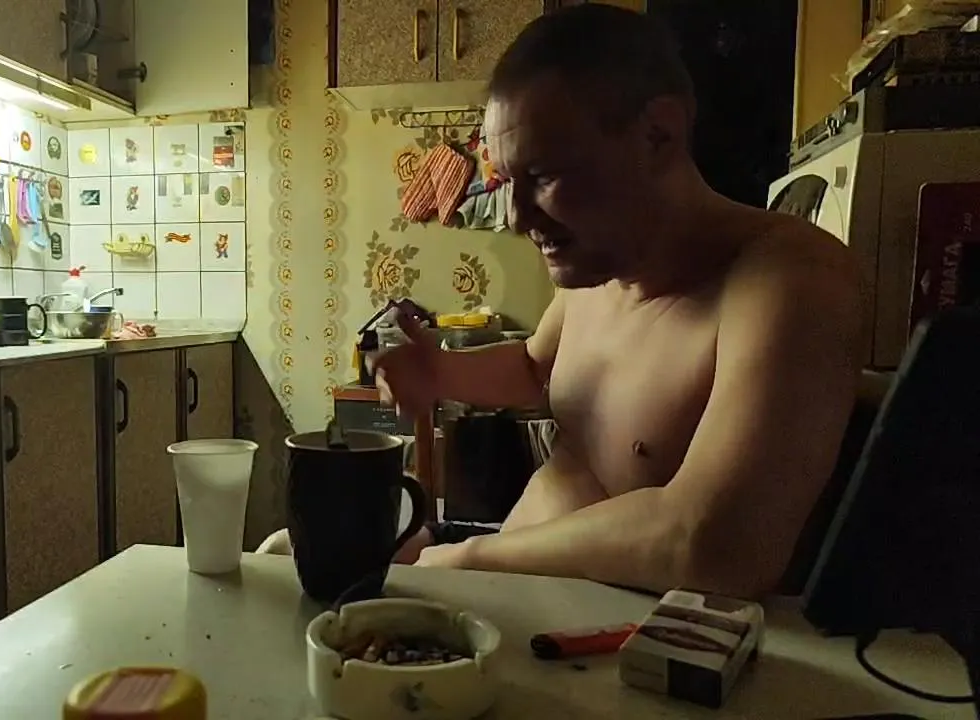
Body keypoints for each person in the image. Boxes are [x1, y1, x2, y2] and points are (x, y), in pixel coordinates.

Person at [258, 5, 862, 599]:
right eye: (507, 182)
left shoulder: (791, 279)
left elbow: (717, 544)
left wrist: (466, 560)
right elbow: (534, 366)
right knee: (285, 552)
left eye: (544, 175)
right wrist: (440, 370)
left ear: (658, 133)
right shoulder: (599, 269)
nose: (520, 219)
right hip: (514, 576)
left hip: (610, 637)